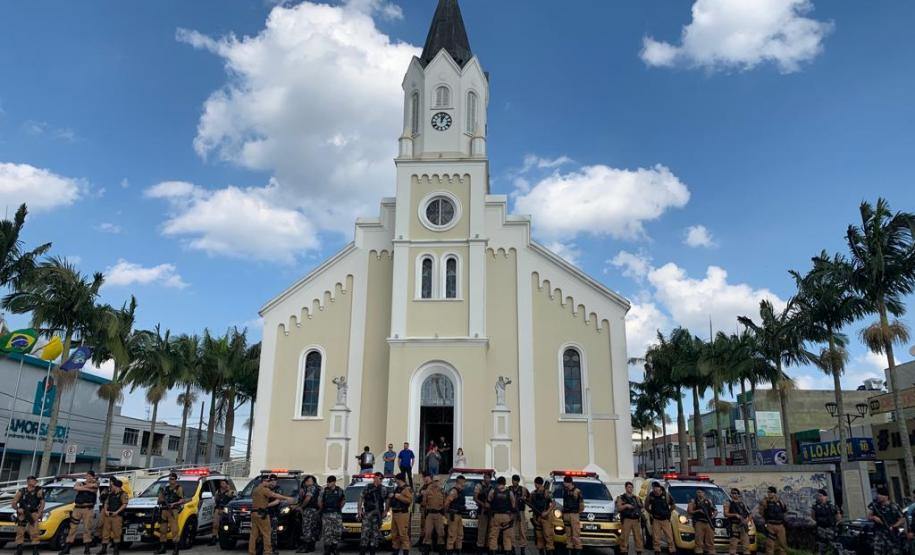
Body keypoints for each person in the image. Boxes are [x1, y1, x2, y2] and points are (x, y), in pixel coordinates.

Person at [250, 474, 296, 555]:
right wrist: (287, 498)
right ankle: (268, 552)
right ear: (264, 481)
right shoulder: (264, 490)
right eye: (268, 481)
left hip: (254, 513)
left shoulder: (255, 489)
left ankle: (252, 552)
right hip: (262, 513)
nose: (269, 483)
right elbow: (275, 495)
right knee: (267, 533)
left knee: (254, 534)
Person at [62, 470, 99, 555]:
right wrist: (87, 487)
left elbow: (94, 489)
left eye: (90, 476)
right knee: (72, 528)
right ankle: (67, 548)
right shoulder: (80, 483)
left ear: (93, 477)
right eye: (87, 476)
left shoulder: (96, 484)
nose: (88, 477)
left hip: (88, 509)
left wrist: (85, 487)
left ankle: (87, 549)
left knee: (87, 528)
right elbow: (75, 487)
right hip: (77, 508)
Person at [868, 485, 906, 555]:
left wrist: (894, 526)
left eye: (880, 494)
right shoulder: (876, 506)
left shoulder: (894, 506)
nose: (878, 496)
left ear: (886, 496)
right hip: (879, 534)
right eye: (878, 494)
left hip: (891, 534)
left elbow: (902, 519)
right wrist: (874, 518)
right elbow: (869, 516)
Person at [12, 475, 45, 555]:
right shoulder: (22, 491)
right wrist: (18, 509)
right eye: (32, 480)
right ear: (28, 482)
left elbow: (42, 503)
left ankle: (35, 549)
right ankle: (19, 549)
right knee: (20, 531)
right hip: (23, 513)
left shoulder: (38, 491)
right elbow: (14, 503)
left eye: (35, 480)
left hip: (33, 513)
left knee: (35, 531)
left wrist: (39, 513)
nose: (34, 482)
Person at [155, 473, 185, 555]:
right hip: (164, 510)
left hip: (173, 510)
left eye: (172, 478)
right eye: (170, 478)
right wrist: (160, 498)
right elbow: (160, 499)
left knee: (174, 530)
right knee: (162, 530)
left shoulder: (179, 488)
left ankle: (176, 549)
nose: (171, 480)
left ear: (175, 479)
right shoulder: (166, 488)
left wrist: (174, 504)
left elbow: (182, 500)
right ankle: (162, 548)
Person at [97, 478, 129, 555]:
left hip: (117, 516)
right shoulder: (110, 494)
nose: (112, 487)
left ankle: (116, 550)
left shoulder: (123, 494)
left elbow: (124, 504)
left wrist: (117, 512)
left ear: (117, 486)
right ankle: (104, 549)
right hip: (108, 516)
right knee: (105, 532)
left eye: (113, 486)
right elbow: (106, 503)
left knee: (116, 533)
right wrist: (106, 511)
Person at [486, 477, 516, 555]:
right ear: (505, 482)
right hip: (507, 516)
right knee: (507, 537)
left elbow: (487, 504)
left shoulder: (493, 491)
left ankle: (493, 552)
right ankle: (507, 552)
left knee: (493, 536)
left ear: (497, 483)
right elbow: (513, 505)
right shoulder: (509, 492)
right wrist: (512, 515)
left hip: (496, 516)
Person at [359, 473, 387, 555]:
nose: (380, 480)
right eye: (378, 478)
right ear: (375, 478)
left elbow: (388, 499)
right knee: (364, 535)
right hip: (368, 514)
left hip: (377, 516)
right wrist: (359, 510)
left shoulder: (383, 489)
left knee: (375, 536)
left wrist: (386, 510)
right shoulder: (368, 487)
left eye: (381, 479)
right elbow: (361, 497)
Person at [645, 481, 675, 555]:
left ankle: (672, 550)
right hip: (656, 519)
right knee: (656, 537)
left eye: (656, 488)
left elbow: (673, 505)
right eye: (653, 488)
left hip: (665, 519)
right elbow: (646, 505)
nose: (655, 489)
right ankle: (657, 550)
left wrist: (669, 512)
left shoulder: (666, 495)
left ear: (660, 488)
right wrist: (651, 512)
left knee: (669, 537)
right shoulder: (651, 495)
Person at [318, 476, 346, 555]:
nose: (328, 484)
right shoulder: (324, 491)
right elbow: (319, 502)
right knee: (327, 532)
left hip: (336, 514)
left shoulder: (340, 490)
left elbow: (343, 501)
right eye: (327, 482)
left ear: (334, 482)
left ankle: (334, 547)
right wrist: (323, 509)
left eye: (329, 482)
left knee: (337, 531)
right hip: (326, 514)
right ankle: (327, 549)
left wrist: (338, 508)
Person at [388, 473, 413, 555]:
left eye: (396, 479)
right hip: (395, 513)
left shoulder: (407, 489)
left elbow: (409, 500)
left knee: (403, 535)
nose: (395, 481)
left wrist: (398, 496)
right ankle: (395, 551)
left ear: (399, 479)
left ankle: (405, 552)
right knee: (395, 534)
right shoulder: (397, 488)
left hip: (402, 514)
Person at [616, 481, 644, 555]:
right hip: (626, 519)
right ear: (625, 488)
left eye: (631, 487)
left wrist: (641, 511)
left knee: (638, 537)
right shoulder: (621, 497)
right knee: (624, 537)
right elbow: (618, 508)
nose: (630, 489)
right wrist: (626, 506)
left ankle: (639, 551)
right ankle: (624, 551)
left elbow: (641, 507)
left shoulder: (636, 498)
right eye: (629, 487)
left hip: (635, 520)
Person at [757, 486, 787, 555]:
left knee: (782, 545)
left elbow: (784, 510)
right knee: (770, 545)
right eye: (768, 492)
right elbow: (761, 513)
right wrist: (763, 504)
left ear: (774, 493)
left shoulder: (780, 501)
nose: (768, 494)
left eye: (770, 492)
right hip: (770, 525)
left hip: (780, 525)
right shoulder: (765, 501)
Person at [528, 477, 555, 555]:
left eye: (535, 484)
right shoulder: (533, 493)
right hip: (537, 517)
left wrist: (547, 512)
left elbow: (553, 504)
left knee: (547, 536)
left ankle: (549, 551)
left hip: (545, 517)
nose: (535, 485)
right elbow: (530, 503)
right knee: (539, 537)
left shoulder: (546, 492)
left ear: (536, 483)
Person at [810, 489, 841, 555]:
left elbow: (838, 515)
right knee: (821, 548)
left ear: (826, 497)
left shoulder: (832, 506)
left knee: (835, 548)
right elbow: (813, 517)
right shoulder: (815, 507)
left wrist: (837, 523)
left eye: (821, 496)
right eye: (819, 496)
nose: (820, 497)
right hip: (821, 529)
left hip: (831, 529)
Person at [422, 476, 446, 555]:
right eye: (435, 481)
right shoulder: (428, 491)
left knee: (441, 534)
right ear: (432, 481)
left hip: (439, 514)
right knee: (427, 533)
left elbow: (445, 504)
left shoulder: (442, 491)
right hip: (430, 514)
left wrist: (444, 514)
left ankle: (441, 552)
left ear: (440, 482)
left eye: (437, 481)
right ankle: (426, 552)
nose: (436, 483)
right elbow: (424, 503)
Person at [687, 488, 716, 555]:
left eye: (700, 492)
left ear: (704, 493)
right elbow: (689, 511)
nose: (699, 494)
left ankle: (711, 551)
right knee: (699, 540)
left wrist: (712, 517)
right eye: (697, 492)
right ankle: (699, 551)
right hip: (699, 522)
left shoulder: (709, 501)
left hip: (708, 522)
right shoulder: (693, 501)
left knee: (710, 539)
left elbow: (715, 511)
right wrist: (698, 510)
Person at [297, 476, 321, 554]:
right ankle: (311, 547)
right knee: (313, 528)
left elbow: (308, 498)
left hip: (309, 510)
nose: (306, 482)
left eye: (308, 480)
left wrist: (301, 507)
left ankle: (306, 547)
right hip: (315, 511)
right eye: (306, 481)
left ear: (313, 481)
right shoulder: (318, 488)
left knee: (306, 528)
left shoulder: (311, 488)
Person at [560, 476, 583, 555]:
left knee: (575, 535)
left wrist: (576, 513)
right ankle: (569, 551)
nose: (563, 484)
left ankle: (577, 550)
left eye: (564, 482)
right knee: (568, 535)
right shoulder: (565, 491)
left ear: (568, 482)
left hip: (574, 514)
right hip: (566, 514)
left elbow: (581, 505)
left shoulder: (577, 491)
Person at [724, 488, 751, 555]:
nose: (734, 495)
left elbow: (750, 514)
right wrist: (735, 515)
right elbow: (726, 514)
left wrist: (747, 521)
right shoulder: (728, 503)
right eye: (732, 493)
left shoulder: (742, 503)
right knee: (733, 543)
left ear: (738, 495)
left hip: (743, 525)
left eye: (735, 493)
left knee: (746, 544)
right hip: (734, 525)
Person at [473, 473, 494, 555]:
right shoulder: (479, 486)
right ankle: (480, 549)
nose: (487, 479)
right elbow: (475, 498)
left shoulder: (492, 487)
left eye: (488, 478)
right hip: (482, 510)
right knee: (482, 531)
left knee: (490, 531)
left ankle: (488, 548)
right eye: (486, 478)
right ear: (484, 478)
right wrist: (483, 504)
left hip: (490, 512)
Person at [445, 475, 466, 555]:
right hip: (453, 515)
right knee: (452, 536)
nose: (464, 484)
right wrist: (446, 513)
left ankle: (458, 551)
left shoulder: (461, 491)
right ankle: (449, 552)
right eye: (463, 482)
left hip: (459, 515)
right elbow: (447, 503)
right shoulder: (454, 491)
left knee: (460, 535)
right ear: (459, 482)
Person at [211, 479, 237, 545]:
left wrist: (228, 490)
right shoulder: (218, 491)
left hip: (226, 509)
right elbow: (215, 499)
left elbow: (233, 497)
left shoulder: (231, 491)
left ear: (227, 484)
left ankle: (223, 537)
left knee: (224, 523)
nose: (222, 484)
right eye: (221, 483)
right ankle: (214, 538)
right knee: (215, 524)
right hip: (218, 508)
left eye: (223, 483)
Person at [509, 475, 530, 553]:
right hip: (512, 512)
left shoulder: (523, 489)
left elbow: (529, 498)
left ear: (518, 481)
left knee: (522, 531)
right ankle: (513, 548)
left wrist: (524, 499)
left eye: (515, 480)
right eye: (513, 480)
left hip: (520, 512)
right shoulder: (509, 489)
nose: (513, 482)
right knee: (512, 531)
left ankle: (522, 549)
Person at [416, 474, 433, 547]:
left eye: (425, 477)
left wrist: (423, 492)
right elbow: (420, 493)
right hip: (423, 508)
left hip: (428, 509)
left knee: (427, 527)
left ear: (429, 477)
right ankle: (421, 542)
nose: (424, 479)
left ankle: (424, 544)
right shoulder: (425, 485)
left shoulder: (431, 486)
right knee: (422, 527)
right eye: (423, 477)